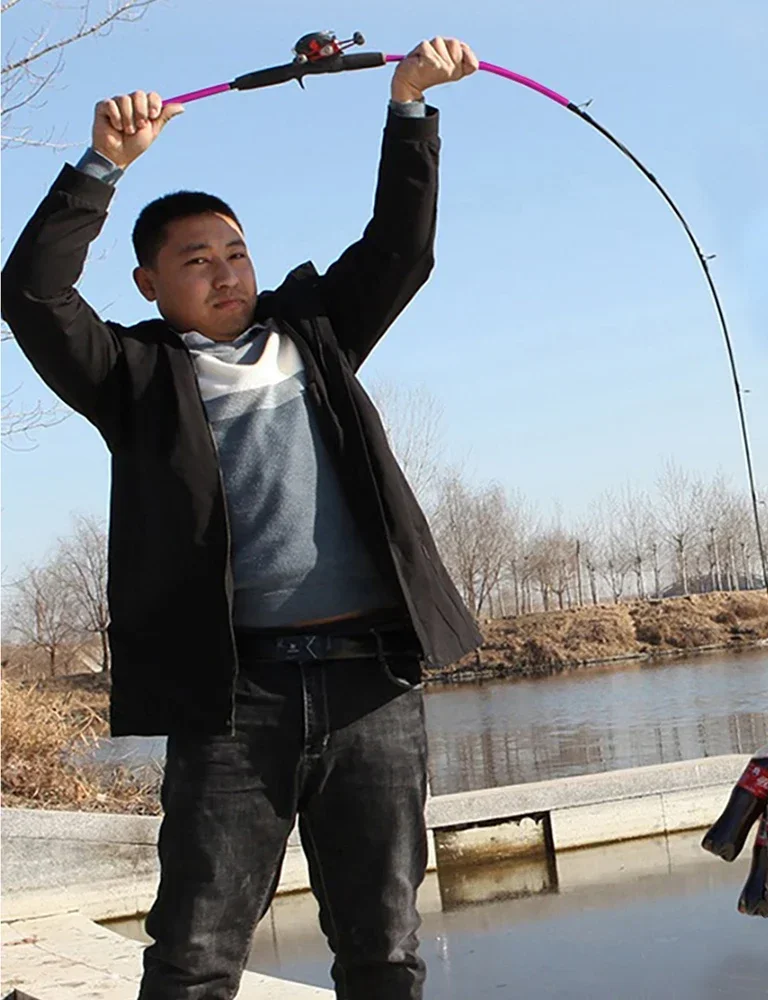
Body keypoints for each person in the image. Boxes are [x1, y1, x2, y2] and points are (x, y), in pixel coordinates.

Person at [1, 36, 483, 1000]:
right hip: (232, 700)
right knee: (193, 954)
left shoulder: (319, 330)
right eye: (196, 261)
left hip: (370, 684)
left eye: (236, 252)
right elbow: (32, 294)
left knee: (385, 948)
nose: (226, 273)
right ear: (149, 284)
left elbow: (402, 247)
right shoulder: (133, 378)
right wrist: (103, 165)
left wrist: (410, 105)